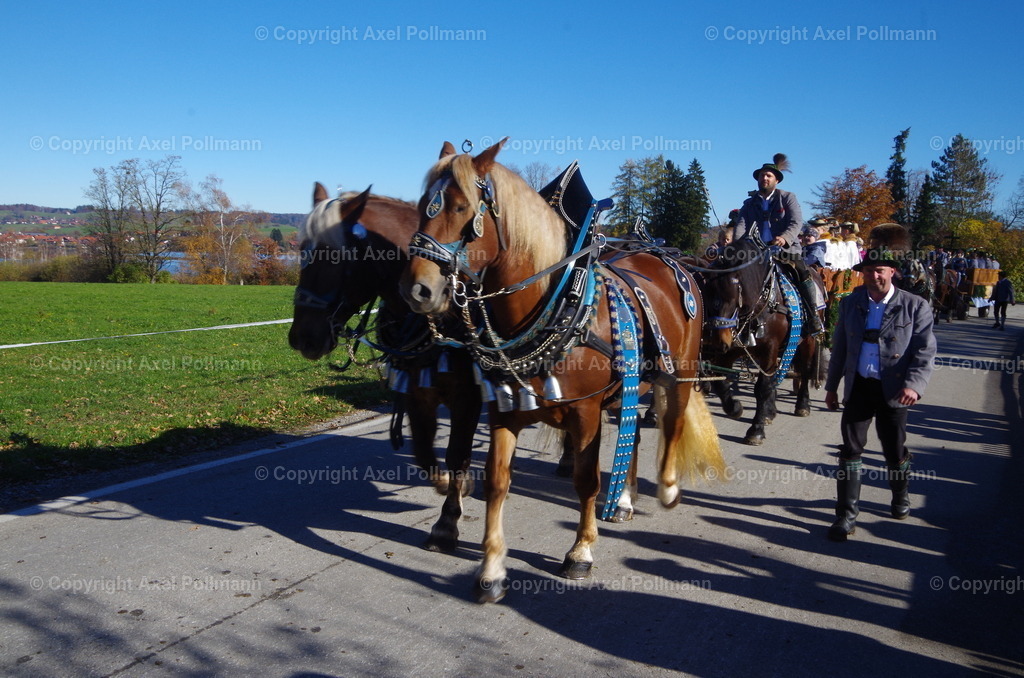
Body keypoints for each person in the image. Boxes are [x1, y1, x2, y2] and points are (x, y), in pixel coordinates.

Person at [823, 224, 937, 541]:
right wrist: (832, 387)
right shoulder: (850, 304)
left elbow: (925, 351)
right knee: (850, 450)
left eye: (881, 271)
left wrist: (914, 385)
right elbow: (840, 351)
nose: (875, 276)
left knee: (894, 451)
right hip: (859, 387)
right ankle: (845, 517)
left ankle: (900, 496)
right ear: (863, 273)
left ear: (892, 272)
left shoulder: (915, 306)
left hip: (895, 390)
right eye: (870, 271)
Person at [732, 153, 824, 333]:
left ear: (777, 180)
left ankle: (812, 315)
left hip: (785, 250)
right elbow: (741, 226)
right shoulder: (749, 204)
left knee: (802, 272)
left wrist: (785, 237)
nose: (764, 178)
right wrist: (736, 247)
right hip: (756, 251)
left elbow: (796, 222)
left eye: (768, 175)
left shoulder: (788, 197)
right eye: (761, 175)